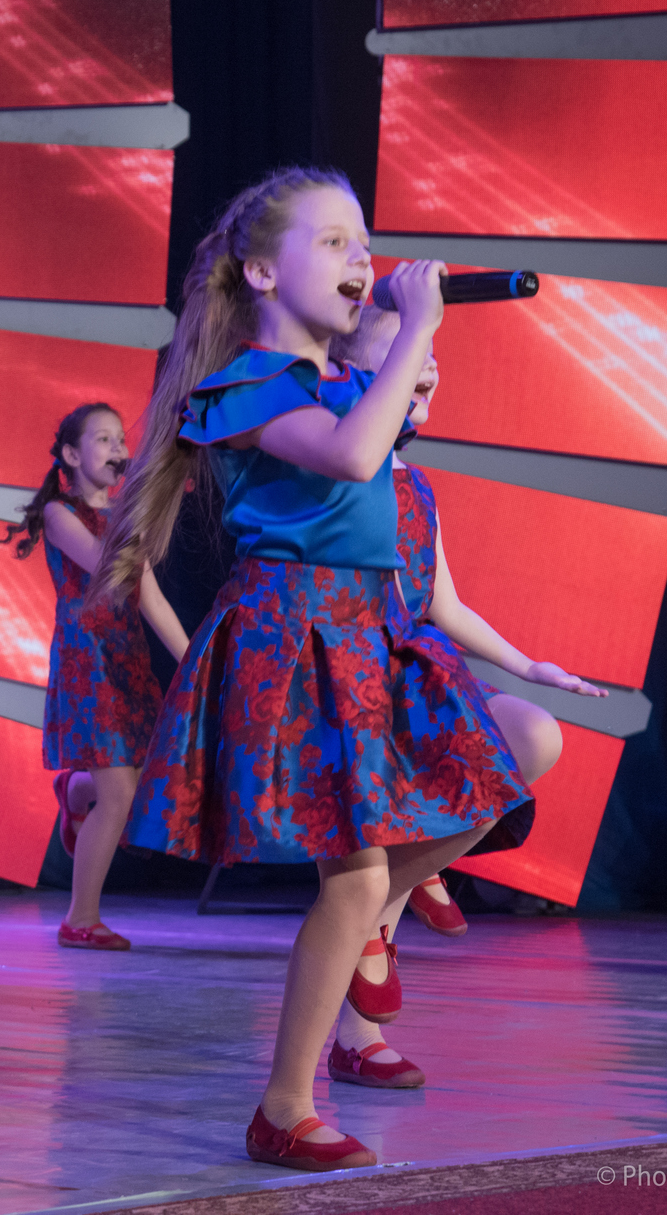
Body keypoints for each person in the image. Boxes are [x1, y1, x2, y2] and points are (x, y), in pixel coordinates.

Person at [91, 166, 534, 1172]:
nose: (361, 259)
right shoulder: (244, 385)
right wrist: (414, 332)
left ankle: (366, 942)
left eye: (364, 242)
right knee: (356, 869)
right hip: (290, 637)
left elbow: (383, 448)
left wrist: (406, 355)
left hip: (364, 632)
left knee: (484, 783)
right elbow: (349, 457)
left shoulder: (342, 384)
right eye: (333, 241)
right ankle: (286, 1105)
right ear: (259, 271)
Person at [324, 300, 605, 1089]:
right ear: (349, 373)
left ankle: (398, 897)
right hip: (343, 686)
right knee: (361, 861)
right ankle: (356, 1035)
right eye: (406, 356)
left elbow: (444, 604)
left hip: (419, 678)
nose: (427, 370)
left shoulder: (416, 483)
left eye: (431, 360)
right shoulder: (331, 466)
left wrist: (529, 665)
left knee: (532, 736)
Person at [0, 403, 188, 949]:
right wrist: (141, 509)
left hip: (126, 656)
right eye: (103, 439)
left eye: (120, 439)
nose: (117, 449)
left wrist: (192, 660)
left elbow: (151, 598)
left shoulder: (126, 515)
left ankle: (75, 788)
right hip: (89, 662)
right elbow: (111, 566)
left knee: (139, 780)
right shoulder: (61, 514)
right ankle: (80, 918)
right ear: (72, 455)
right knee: (120, 794)